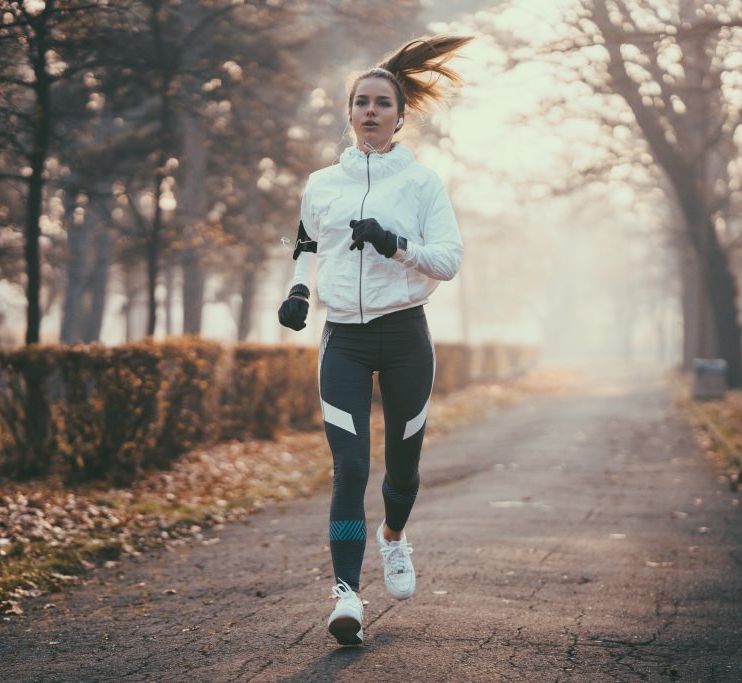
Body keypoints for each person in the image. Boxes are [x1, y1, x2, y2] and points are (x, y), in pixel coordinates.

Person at [277, 34, 472, 647]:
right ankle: (346, 595)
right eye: (360, 102)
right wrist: (299, 292)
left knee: (403, 468)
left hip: (405, 336)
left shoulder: (421, 185)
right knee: (350, 465)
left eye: (381, 103)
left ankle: (393, 537)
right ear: (349, 111)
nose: (369, 111)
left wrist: (394, 244)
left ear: (399, 114)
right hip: (345, 341)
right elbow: (307, 246)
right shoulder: (321, 184)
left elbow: (449, 260)